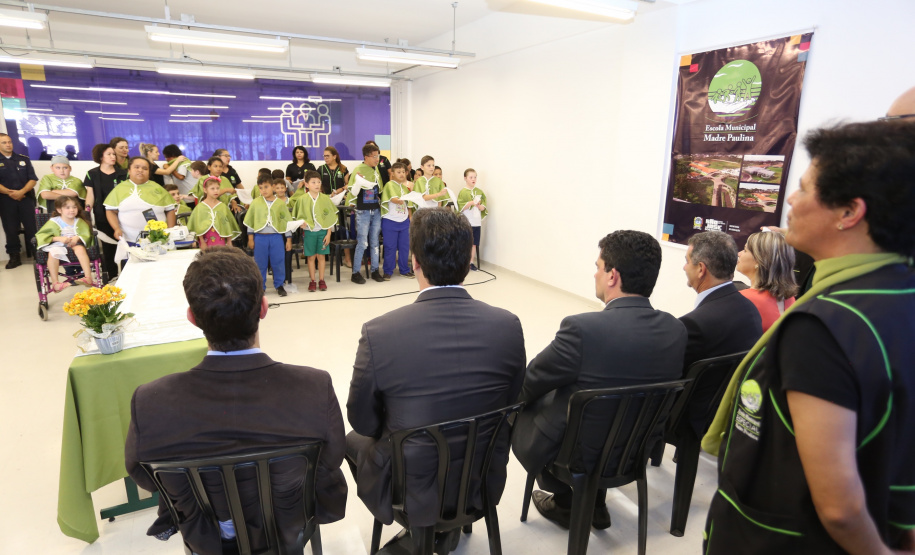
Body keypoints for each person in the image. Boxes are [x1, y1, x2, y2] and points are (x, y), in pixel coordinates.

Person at [702, 120, 915, 554]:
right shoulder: (899, 294)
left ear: (849, 212)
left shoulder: (822, 326)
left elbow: (838, 505)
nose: (791, 202)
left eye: (802, 189)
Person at [125, 247, 348, 555]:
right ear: (263, 308)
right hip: (286, 529)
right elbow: (331, 459)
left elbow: (144, 473)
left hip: (207, 536)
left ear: (192, 317)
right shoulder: (313, 386)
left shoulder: (151, 401)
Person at [346, 207, 526, 554]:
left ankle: (417, 528)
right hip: (480, 474)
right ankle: (450, 530)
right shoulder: (508, 325)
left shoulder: (380, 332)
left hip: (414, 484)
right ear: (471, 256)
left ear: (413, 261)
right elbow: (513, 399)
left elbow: (362, 421)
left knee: (351, 440)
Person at [512, 230, 687, 530]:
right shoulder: (676, 330)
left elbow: (531, 380)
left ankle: (566, 500)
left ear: (612, 276)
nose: (594, 273)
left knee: (516, 406)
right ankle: (596, 503)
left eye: (598, 266)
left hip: (580, 457)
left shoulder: (582, 329)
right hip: (633, 451)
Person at [679, 231, 762, 438]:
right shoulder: (749, 309)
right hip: (730, 408)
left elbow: (670, 373)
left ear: (701, 269)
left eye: (686, 261)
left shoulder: (695, 323)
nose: (683, 267)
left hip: (694, 416)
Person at [104, 157, 177, 243]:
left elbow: (170, 210)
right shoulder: (119, 189)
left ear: (149, 172)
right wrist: (116, 228)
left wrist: (170, 231)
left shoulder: (158, 188)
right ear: (129, 170)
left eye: (145, 168)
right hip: (129, 240)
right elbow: (111, 211)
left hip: (158, 240)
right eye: (137, 167)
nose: (140, 170)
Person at [737, 231, 798, 331]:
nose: (739, 254)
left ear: (759, 260)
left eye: (745, 250)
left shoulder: (743, 300)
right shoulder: (789, 299)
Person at [83, 143, 128, 279]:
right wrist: (87, 210)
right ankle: (112, 275)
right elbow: (90, 195)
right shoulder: (92, 174)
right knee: (108, 247)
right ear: (100, 156)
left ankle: (127, 274)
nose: (113, 156)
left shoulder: (123, 174)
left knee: (125, 244)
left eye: (113, 154)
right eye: (109, 154)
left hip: (122, 214)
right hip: (102, 214)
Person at [244, 174, 292, 297]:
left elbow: (286, 222)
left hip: (276, 237)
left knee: (278, 262)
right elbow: (251, 222)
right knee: (260, 263)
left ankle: (279, 284)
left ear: (273, 187)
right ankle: (261, 286)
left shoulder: (280, 204)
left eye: (266, 187)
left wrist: (288, 239)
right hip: (260, 238)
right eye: (260, 188)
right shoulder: (256, 203)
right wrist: (250, 238)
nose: (263, 190)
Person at [35, 196, 95, 291]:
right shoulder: (54, 222)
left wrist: (78, 238)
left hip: (75, 244)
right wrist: (58, 238)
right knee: (53, 254)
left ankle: (88, 277)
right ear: (59, 210)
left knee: (80, 249)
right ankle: (56, 283)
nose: (72, 210)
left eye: (74, 207)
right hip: (57, 244)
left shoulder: (79, 221)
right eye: (67, 207)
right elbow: (42, 235)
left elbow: (87, 234)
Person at [347, 143, 385, 284]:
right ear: (366, 157)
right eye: (374, 156)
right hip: (363, 210)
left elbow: (379, 190)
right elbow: (353, 191)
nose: (377, 159)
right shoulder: (358, 169)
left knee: (375, 242)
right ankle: (355, 272)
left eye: (378, 156)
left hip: (375, 209)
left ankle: (375, 270)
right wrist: (358, 182)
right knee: (362, 241)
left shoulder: (376, 170)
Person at [292, 170, 336, 292]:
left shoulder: (326, 199)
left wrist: (328, 233)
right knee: (311, 258)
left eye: (319, 182)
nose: (317, 184)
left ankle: (321, 280)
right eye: (313, 182)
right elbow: (298, 216)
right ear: (306, 184)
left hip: (322, 232)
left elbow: (330, 218)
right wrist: (301, 224)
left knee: (321, 257)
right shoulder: (302, 199)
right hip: (309, 232)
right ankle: (312, 280)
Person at [0, 132, 39, 269]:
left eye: (9, 142)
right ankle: (14, 256)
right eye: (4, 142)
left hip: (25, 198)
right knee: (10, 229)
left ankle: (38, 255)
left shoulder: (23, 159)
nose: (8, 144)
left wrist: (21, 192)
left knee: (32, 227)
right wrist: (10, 193)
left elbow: (32, 179)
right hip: (6, 200)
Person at [380, 162, 414, 280]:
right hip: (390, 221)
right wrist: (400, 200)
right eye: (398, 172)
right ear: (392, 173)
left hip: (404, 221)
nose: (401, 174)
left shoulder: (405, 188)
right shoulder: (389, 185)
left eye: (403, 172)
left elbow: (408, 204)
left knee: (404, 247)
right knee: (390, 247)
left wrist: (410, 218)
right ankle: (388, 271)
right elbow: (393, 199)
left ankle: (404, 270)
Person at [187, 177, 240, 250]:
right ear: (205, 190)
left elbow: (227, 225)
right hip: (206, 241)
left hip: (220, 240)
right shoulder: (200, 207)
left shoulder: (222, 206)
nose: (216, 191)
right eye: (212, 188)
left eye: (218, 188)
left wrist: (229, 241)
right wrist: (202, 242)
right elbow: (198, 225)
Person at [457, 168, 486, 271]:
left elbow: (483, 207)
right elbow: (460, 207)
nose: (473, 179)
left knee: (474, 243)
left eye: (475, 177)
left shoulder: (479, 192)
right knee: (466, 243)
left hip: (476, 222)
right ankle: (462, 262)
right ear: (465, 178)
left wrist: (479, 206)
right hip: (467, 222)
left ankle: (471, 262)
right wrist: (470, 203)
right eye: (471, 177)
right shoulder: (463, 192)